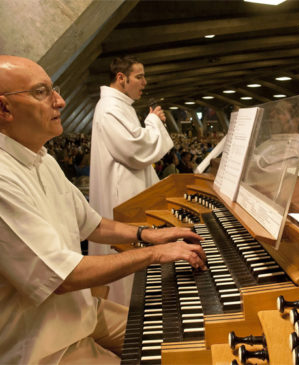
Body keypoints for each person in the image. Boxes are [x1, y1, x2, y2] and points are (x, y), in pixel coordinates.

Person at [0, 55, 206, 365]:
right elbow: (62, 277)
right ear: (4, 108)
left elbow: (92, 225)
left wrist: (147, 234)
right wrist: (154, 254)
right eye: (42, 92)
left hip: (81, 313)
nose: (61, 101)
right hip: (42, 342)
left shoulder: (42, 160)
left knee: (188, 341)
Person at [89, 56, 174, 305]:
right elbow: (135, 149)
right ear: (121, 78)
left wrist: (150, 123)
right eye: (139, 76)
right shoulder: (110, 108)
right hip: (121, 196)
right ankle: (126, 311)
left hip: (127, 191)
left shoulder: (120, 105)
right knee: (126, 272)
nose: (144, 82)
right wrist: (153, 122)